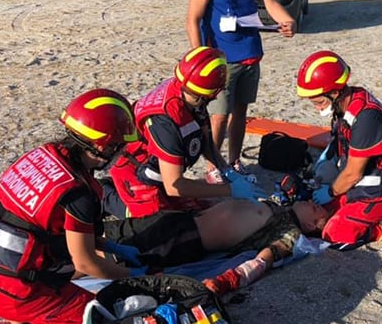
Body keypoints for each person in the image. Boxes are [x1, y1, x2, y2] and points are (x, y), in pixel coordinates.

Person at [0, 89, 145, 324]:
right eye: (120, 145)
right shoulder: (79, 193)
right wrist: (131, 279)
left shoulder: (44, 156)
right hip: (12, 292)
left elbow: (40, 225)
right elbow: (86, 263)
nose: (122, 151)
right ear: (103, 147)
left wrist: (117, 250)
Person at [186, 0, 296, 183]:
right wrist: (201, 57)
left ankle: (234, 161)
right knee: (219, 117)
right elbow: (193, 19)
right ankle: (214, 165)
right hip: (221, 59)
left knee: (240, 113)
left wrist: (287, 20)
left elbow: (268, 2)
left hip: (250, 53)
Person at [106, 46, 264, 220]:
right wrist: (230, 190)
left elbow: (205, 141)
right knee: (160, 225)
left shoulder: (190, 91)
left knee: (197, 209)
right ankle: (104, 196)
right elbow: (175, 186)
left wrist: (227, 171)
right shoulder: (166, 121)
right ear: (215, 92)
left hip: (161, 171)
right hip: (137, 174)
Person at [296, 50, 382, 249]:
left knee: (336, 234)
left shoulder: (366, 119)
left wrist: (331, 191)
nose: (317, 108)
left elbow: (353, 174)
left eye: (319, 101)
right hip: (367, 174)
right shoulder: (348, 103)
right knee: (320, 199)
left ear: (335, 92)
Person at [103, 198, 332, 295]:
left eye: (315, 208)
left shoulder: (289, 232)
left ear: (310, 224)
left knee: (112, 253)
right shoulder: (279, 208)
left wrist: (231, 279)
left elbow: (266, 257)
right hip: (181, 220)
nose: (311, 202)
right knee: (108, 234)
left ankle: (73, 271)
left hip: (188, 237)